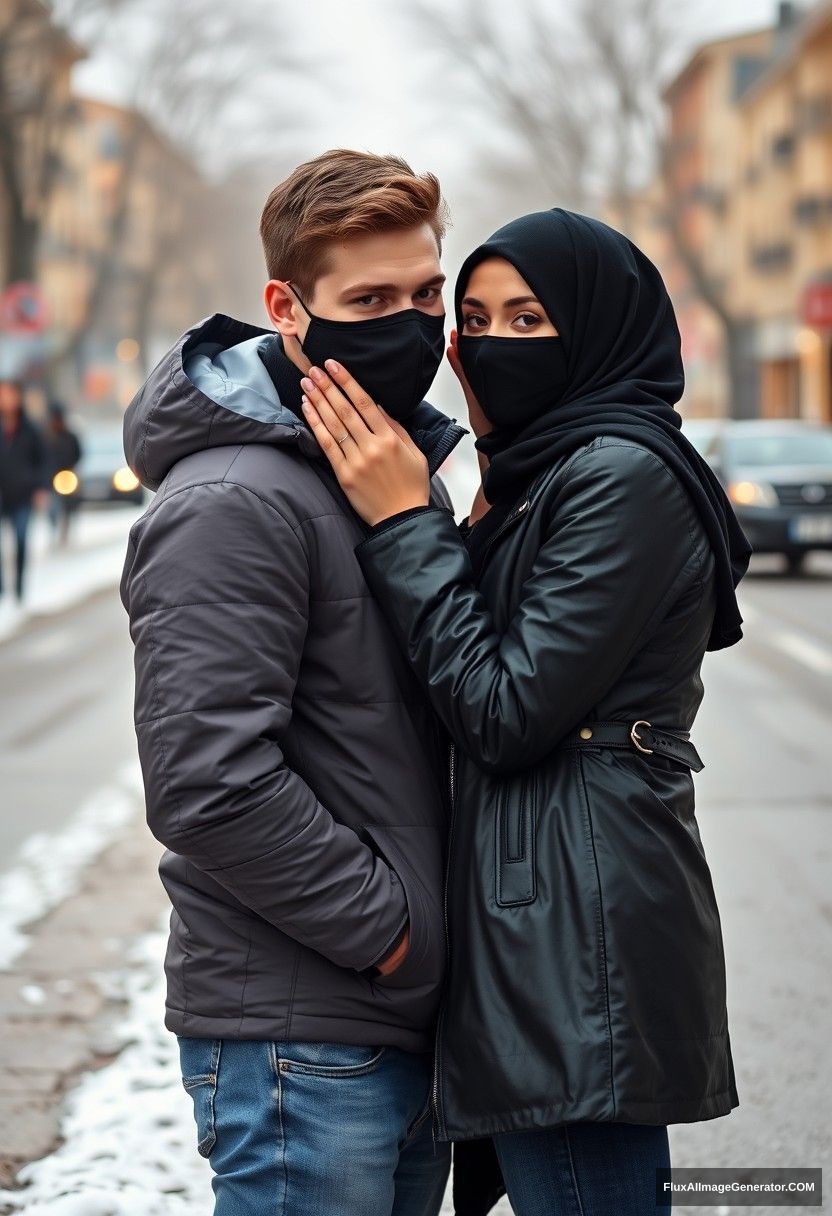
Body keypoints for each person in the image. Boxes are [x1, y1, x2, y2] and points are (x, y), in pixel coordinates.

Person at [299, 207, 753, 1216]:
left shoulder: (621, 475)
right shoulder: (544, 471)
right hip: (548, 914)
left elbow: (503, 708)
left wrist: (406, 525)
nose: (491, 345)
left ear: (600, 327)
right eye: (475, 320)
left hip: (573, 934)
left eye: (530, 319)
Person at [119, 150, 466, 1216]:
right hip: (300, 1042)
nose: (409, 325)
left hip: (380, 1027)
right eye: (369, 300)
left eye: (424, 295)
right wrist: (393, 936)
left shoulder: (371, 479)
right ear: (287, 307)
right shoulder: (236, 500)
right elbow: (209, 783)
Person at [0, 378, 48, 602]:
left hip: (24, 493)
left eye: (9, 394)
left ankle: (19, 588)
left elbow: (43, 460)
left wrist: (41, 487)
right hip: (2, 494)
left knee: (20, 538)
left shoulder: (30, 428)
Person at [43, 401, 82, 546]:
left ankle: (65, 532)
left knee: (69, 505)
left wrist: (71, 466)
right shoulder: (46, 437)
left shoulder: (70, 437)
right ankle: (54, 529)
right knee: (53, 506)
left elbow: (78, 453)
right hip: (51, 477)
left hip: (67, 475)